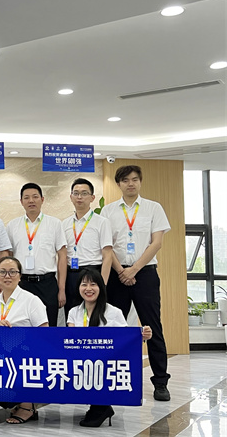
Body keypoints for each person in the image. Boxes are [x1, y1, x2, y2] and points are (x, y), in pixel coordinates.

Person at [101, 165, 172, 401]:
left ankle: (160, 382)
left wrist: (134, 269)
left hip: (145, 274)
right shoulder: (108, 211)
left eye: (134, 179)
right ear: (118, 184)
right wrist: (122, 271)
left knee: (153, 327)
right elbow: (107, 246)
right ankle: (111, 378)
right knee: (113, 327)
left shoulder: (153, 208)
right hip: (117, 274)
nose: (130, 184)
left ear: (140, 182)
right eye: (125, 180)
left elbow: (156, 243)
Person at [67, 268, 152, 427]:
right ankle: (97, 405)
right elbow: (71, 340)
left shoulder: (114, 312)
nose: (88, 289)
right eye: (84, 284)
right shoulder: (74, 312)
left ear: (101, 287)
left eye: (93, 284)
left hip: (106, 362)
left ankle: (101, 406)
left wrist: (142, 336)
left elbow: (125, 340)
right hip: (82, 361)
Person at [0, 257, 48, 424]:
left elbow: (44, 334)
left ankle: (28, 405)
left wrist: (17, 337)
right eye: (3, 272)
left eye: (12, 272)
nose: (7, 276)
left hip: (25, 356)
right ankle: (17, 402)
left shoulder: (31, 300)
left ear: (20, 276)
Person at [6, 183, 67, 327]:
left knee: (48, 326)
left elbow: (62, 256)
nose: (31, 201)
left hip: (47, 284)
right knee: (21, 325)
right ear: (21, 201)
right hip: (21, 283)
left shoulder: (54, 224)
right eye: (26, 198)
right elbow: (8, 257)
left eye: (35, 197)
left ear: (42, 199)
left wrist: (61, 289)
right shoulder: (12, 226)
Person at [62, 178, 112, 317]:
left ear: (92, 197)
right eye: (76, 193)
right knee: (72, 316)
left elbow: (108, 255)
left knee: (94, 318)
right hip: (71, 275)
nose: (79, 197)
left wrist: (102, 284)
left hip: (93, 274)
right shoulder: (64, 224)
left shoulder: (102, 222)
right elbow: (62, 256)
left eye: (84, 193)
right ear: (71, 197)